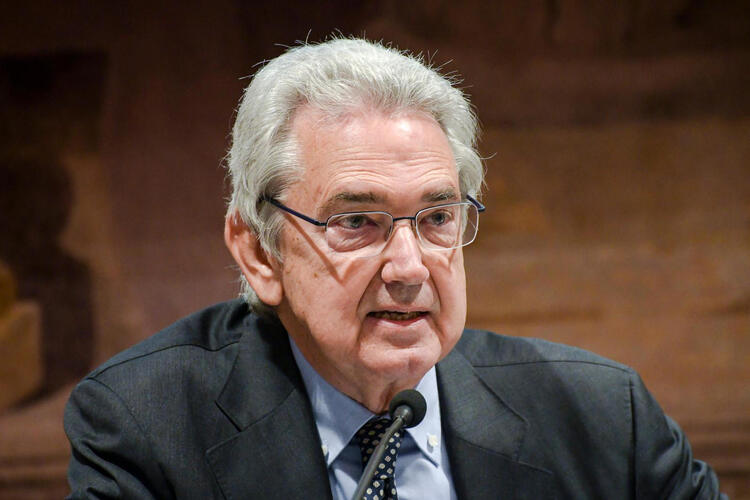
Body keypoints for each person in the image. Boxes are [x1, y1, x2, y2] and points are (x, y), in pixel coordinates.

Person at [64, 37, 725, 499]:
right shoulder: (148, 428)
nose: (409, 268)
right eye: (357, 222)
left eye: (437, 218)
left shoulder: (604, 417)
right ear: (260, 252)